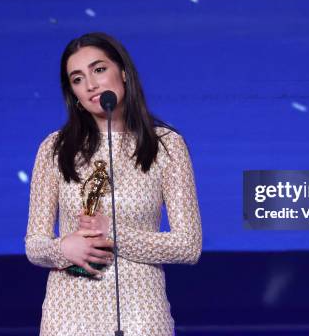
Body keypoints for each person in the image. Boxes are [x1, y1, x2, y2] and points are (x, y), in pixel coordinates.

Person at [24, 32, 202, 336]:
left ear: (123, 72)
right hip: (69, 316)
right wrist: (63, 248)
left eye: (99, 69)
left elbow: (189, 245)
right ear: (73, 93)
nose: (91, 85)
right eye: (77, 79)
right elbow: (34, 245)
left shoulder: (167, 146)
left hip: (141, 314)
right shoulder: (54, 148)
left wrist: (114, 234)